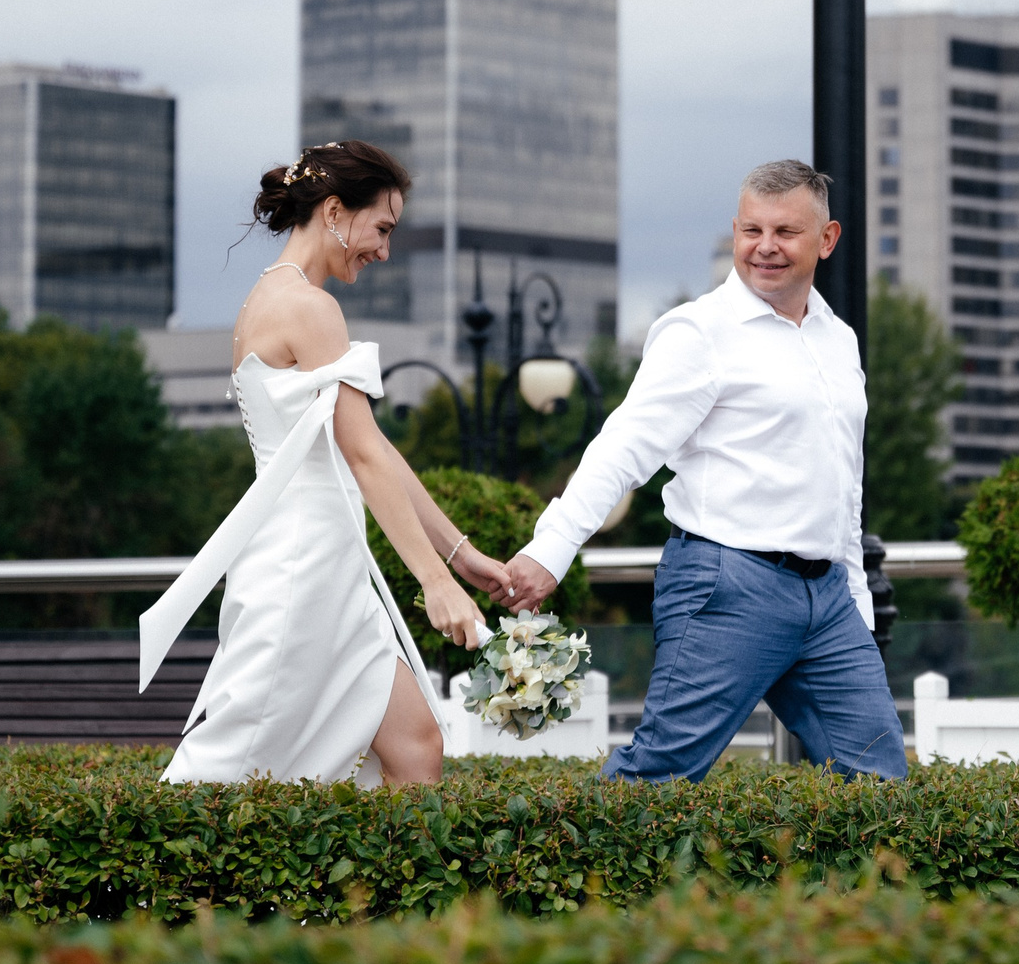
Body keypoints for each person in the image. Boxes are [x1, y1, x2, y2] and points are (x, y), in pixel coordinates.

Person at [501, 159, 906, 781]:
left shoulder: (837, 338)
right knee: (660, 776)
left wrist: (855, 598)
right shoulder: (700, 332)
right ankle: (552, 879)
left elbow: (842, 480)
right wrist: (551, 550)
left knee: (880, 781)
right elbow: (623, 447)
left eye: (785, 233)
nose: (764, 248)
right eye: (751, 231)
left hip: (827, 600)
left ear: (827, 240)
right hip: (727, 584)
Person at [139, 140, 509, 786]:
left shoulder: (269, 300)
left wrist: (461, 556)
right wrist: (434, 582)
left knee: (417, 746)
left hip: (325, 558)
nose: (384, 250)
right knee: (232, 766)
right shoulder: (309, 307)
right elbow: (363, 453)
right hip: (302, 568)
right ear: (336, 209)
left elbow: (375, 448)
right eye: (382, 228)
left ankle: (394, 892)